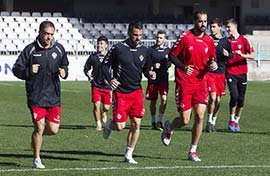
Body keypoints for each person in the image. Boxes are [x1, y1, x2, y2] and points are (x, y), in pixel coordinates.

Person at [161, 10, 217, 162]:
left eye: (205, 21)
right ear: (194, 22)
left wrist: (213, 65)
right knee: (185, 120)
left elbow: (212, 60)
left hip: (201, 83)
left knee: (200, 116)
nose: (203, 24)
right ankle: (169, 127)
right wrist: (183, 67)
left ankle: (193, 151)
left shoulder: (209, 41)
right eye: (200, 21)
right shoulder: (185, 37)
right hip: (184, 82)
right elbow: (172, 55)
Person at [12, 21, 69, 169]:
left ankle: (35, 139)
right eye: (46, 34)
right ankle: (36, 159)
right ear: (40, 33)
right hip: (35, 96)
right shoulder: (30, 50)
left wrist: (64, 72)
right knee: (39, 127)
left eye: (51, 34)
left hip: (53, 97)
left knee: (53, 130)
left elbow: (65, 65)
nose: (49, 37)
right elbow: (16, 69)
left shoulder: (59, 49)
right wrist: (29, 71)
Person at [101, 21, 156, 164]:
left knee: (136, 124)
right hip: (121, 92)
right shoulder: (118, 48)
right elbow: (104, 66)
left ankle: (128, 154)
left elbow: (145, 69)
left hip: (136, 92)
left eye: (140, 35)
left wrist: (150, 73)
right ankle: (109, 125)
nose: (138, 38)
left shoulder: (145, 50)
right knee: (120, 126)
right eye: (135, 35)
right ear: (129, 34)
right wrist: (110, 79)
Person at [225, 18, 255, 132]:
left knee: (241, 99)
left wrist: (242, 55)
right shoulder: (226, 41)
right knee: (234, 96)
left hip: (242, 73)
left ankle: (237, 121)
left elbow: (252, 55)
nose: (227, 29)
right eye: (226, 27)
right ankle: (231, 119)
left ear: (234, 27)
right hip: (230, 72)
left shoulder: (244, 40)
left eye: (229, 27)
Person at [205, 18, 233, 132]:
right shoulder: (207, 39)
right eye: (211, 27)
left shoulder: (225, 41)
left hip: (221, 74)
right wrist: (209, 63)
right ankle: (208, 121)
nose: (212, 29)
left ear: (219, 27)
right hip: (210, 73)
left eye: (214, 26)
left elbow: (231, 55)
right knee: (212, 97)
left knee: (218, 100)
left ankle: (213, 122)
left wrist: (228, 54)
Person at [84, 36, 112, 131]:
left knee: (106, 107)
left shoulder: (110, 57)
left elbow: (115, 69)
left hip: (107, 86)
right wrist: (88, 74)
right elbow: (86, 68)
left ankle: (104, 113)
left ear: (106, 45)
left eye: (102, 44)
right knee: (96, 105)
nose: (99, 45)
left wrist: (111, 79)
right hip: (96, 85)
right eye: (98, 43)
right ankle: (98, 124)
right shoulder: (93, 57)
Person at [145, 30, 171, 130]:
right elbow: (146, 65)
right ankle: (153, 121)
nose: (158, 39)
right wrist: (153, 66)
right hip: (153, 80)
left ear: (165, 39)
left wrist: (168, 64)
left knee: (164, 99)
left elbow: (170, 63)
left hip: (163, 78)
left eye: (161, 38)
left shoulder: (168, 51)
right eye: (157, 37)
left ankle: (160, 120)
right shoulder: (150, 50)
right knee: (153, 102)